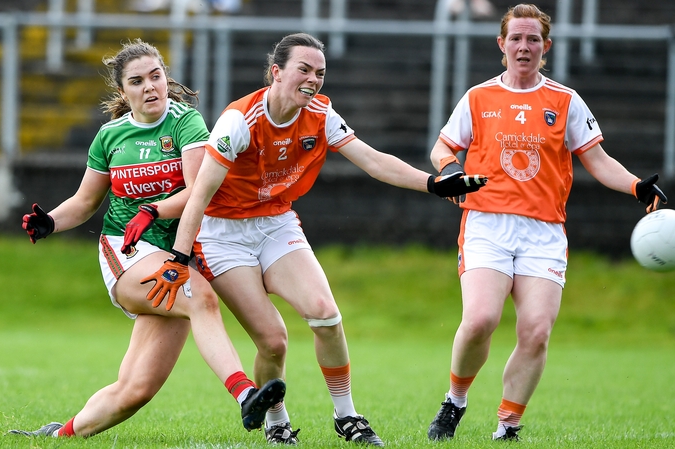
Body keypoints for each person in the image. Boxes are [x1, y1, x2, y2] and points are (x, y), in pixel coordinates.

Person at [125, 32, 488, 446]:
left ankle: (347, 416)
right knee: (273, 340)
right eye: (304, 69)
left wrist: (435, 183)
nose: (314, 79)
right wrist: (178, 257)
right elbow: (200, 195)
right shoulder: (239, 121)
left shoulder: (321, 113)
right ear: (276, 73)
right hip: (223, 235)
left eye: (320, 72)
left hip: (276, 224)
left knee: (325, 314)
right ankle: (276, 422)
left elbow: (372, 161)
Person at [7, 38, 285, 440]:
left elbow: (197, 191)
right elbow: (85, 201)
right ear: (123, 91)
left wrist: (153, 209)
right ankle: (245, 395)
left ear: (166, 79)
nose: (150, 87)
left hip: (175, 254)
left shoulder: (185, 121)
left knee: (135, 391)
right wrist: (49, 221)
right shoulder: (110, 136)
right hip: (126, 249)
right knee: (201, 296)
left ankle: (59, 435)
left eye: (157, 77)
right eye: (137, 81)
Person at [424, 4, 668, 442]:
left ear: (546, 46)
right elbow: (442, 149)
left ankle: (508, 425)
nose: (524, 46)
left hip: (543, 232)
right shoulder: (479, 97)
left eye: (532, 39)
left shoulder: (565, 100)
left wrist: (637, 187)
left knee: (536, 331)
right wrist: (448, 171)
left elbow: (596, 158)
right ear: (501, 45)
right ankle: (454, 402)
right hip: (487, 223)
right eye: (515, 38)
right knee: (480, 319)